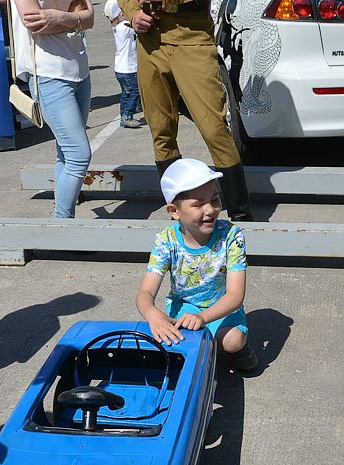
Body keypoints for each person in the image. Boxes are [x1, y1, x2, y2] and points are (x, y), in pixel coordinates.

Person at [118, 0, 252, 221]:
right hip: (150, 42)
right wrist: (133, 13)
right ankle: (179, 215)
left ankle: (241, 216)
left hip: (193, 39)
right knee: (161, 132)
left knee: (214, 130)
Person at [136, 157, 259, 373]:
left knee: (233, 341)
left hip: (222, 307)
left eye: (214, 199)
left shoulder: (231, 236)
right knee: (175, 341)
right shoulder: (166, 241)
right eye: (198, 204)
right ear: (174, 211)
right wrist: (152, 314)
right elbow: (145, 292)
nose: (210, 209)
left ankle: (237, 350)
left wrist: (203, 318)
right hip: (184, 307)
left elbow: (235, 295)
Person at [10, 0, 93, 218]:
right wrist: (74, 19)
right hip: (48, 76)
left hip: (80, 70)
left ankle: (62, 222)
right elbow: (36, 23)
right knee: (79, 155)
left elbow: (90, 18)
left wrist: (58, 17)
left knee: (66, 153)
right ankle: (62, 223)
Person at [102, 0, 141, 128]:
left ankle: (125, 112)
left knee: (126, 93)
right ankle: (127, 115)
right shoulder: (125, 27)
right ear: (122, 14)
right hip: (128, 69)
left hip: (121, 68)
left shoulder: (118, 27)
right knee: (134, 91)